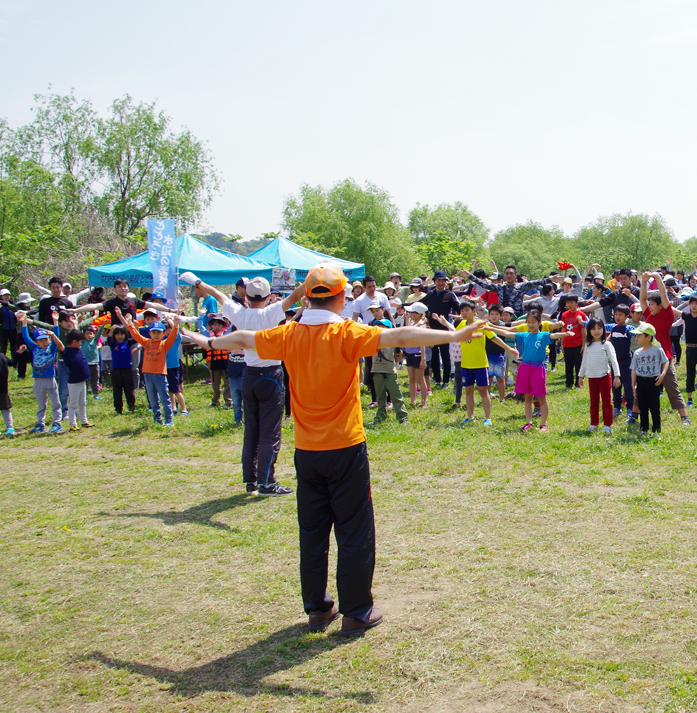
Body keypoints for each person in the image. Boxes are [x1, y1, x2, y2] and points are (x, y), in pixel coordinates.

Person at [182, 262, 488, 637]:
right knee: (354, 529)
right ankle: (357, 611)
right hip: (345, 448)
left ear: (306, 296)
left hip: (306, 451)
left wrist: (207, 342)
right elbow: (400, 336)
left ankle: (318, 608)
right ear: (343, 297)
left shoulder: (288, 333)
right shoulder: (346, 332)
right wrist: (455, 337)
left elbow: (245, 339)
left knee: (312, 531)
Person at [188, 275, 305, 496]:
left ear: (247, 296)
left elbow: (219, 294)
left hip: (248, 374)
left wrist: (199, 284)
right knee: (270, 432)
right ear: (269, 296)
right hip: (270, 374)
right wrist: (312, 279)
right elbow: (296, 295)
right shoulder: (271, 312)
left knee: (251, 431)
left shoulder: (239, 312)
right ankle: (267, 483)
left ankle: (251, 480)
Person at [489, 308, 571, 431]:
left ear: (539, 323)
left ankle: (543, 424)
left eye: (534, 322)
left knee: (541, 397)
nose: (531, 324)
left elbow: (554, 335)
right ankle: (528, 422)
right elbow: (507, 333)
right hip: (524, 368)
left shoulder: (543, 335)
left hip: (538, 369)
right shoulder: (524, 335)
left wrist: (565, 334)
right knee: (527, 397)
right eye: (529, 322)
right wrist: (490, 328)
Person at [640, 271, 691, 426]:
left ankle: (684, 417)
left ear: (660, 306)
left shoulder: (666, 315)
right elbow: (642, 299)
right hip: (648, 356)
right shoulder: (649, 315)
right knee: (642, 387)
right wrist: (643, 282)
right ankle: (635, 415)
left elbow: (664, 296)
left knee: (672, 387)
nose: (649, 306)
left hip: (664, 358)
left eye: (652, 304)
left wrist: (656, 277)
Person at [454, 300, 515, 425]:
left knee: (483, 390)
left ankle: (488, 418)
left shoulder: (481, 325)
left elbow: (495, 338)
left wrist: (508, 348)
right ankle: (470, 416)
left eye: (467, 310)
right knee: (468, 390)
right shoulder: (461, 324)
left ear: (474, 311)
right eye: (462, 311)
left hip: (480, 364)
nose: (464, 313)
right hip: (466, 364)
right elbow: (454, 335)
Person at [120, 310, 179, 426]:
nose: (156, 335)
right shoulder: (146, 342)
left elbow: (173, 336)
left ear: (163, 334)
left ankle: (169, 420)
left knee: (164, 398)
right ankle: (157, 420)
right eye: (154, 332)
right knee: (153, 400)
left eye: (159, 332)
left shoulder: (164, 344)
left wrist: (175, 325)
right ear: (150, 333)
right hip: (147, 374)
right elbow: (136, 336)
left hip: (159, 375)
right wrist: (130, 324)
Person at [19, 312, 63, 433]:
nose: (44, 342)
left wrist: (55, 322)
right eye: (41, 340)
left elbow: (56, 336)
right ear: (37, 342)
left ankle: (57, 422)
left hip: (50, 379)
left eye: (46, 339)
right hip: (38, 381)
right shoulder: (35, 348)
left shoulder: (52, 348)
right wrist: (23, 322)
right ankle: (40, 424)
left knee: (55, 402)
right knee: (41, 404)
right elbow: (26, 338)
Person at [577, 318, 620, 433]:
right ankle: (594, 423)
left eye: (599, 328)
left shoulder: (607, 344)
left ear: (603, 329)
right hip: (592, 377)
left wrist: (617, 376)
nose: (596, 331)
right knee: (594, 401)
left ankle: (607, 425)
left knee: (606, 401)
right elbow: (584, 361)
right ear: (589, 330)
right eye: (593, 329)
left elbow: (614, 360)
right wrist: (580, 376)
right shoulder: (588, 345)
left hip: (604, 377)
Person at [421, 271, 462, 386]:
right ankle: (437, 379)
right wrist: (404, 306)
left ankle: (446, 381)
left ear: (446, 282)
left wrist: (464, 314)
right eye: (438, 281)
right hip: (432, 330)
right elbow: (420, 304)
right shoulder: (431, 294)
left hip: (444, 329)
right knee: (434, 356)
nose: (440, 283)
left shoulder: (449, 294)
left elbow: (458, 308)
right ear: (434, 282)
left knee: (445, 356)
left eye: (443, 281)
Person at [629, 323, 668, 434]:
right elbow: (634, 369)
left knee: (654, 407)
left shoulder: (657, 350)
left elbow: (665, 361)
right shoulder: (637, 353)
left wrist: (662, 374)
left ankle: (656, 430)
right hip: (641, 381)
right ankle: (643, 428)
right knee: (643, 407)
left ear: (648, 337)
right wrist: (633, 385)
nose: (636, 338)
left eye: (639, 335)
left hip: (653, 381)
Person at [606, 305, 637, 421]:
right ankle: (617, 407)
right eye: (616, 314)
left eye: (620, 315)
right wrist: (583, 322)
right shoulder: (612, 327)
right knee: (615, 386)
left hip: (627, 362)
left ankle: (630, 408)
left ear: (627, 316)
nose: (617, 317)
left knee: (628, 386)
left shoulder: (628, 329)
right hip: (615, 363)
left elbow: (640, 333)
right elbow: (596, 326)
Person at [61, 329, 92, 431]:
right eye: (80, 342)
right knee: (73, 404)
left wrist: (75, 324)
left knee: (82, 403)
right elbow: (60, 345)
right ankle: (72, 424)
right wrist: (52, 335)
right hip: (74, 382)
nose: (81, 344)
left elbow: (75, 331)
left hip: (82, 380)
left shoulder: (78, 349)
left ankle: (84, 421)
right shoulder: (67, 352)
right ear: (74, 342)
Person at [558, 294, 587, 389]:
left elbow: (583, 330)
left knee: (578, 364)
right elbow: (563, 329)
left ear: (577, 303)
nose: (569, 305)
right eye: (568, 303)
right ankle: (568, 383)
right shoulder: (564, 315)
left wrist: (583, 345)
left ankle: (578, 384)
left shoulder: (581, 315)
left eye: (572, 302)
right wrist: (562, 344)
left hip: (577, 343)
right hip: (567, 343)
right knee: (568, 364)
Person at [106, 325, 137, 414]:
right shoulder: (113, 343)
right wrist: (111, 330)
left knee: (129, 390)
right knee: (117, 390)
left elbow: (136, 338)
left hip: (127, 369)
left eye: (122, 334)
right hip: (116, 370)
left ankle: (131, 407)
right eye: (117, 334)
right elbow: (109, 339)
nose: (120, 337)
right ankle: (118, 409)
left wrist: (135, 327)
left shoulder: (127, 342)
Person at [205, 315, 233, 409]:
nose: (217, 327)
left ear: (223, 326)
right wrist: (201, 315)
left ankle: (228, 401)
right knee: (215, 383)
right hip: (214, 362)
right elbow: (201, 328)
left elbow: (233, 325)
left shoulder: (225, 334)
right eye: (215, 325)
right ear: (212, 326)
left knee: (227, 383)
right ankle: (215, 401)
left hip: (225, 362)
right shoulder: (209, 334)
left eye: (219, 325)